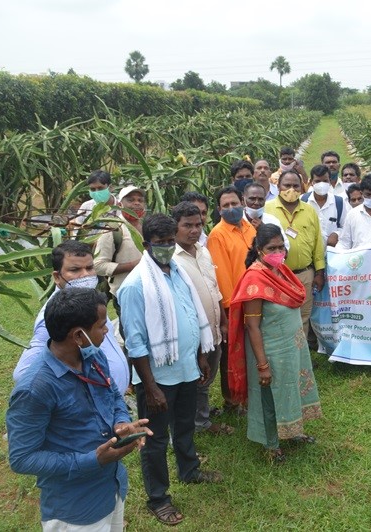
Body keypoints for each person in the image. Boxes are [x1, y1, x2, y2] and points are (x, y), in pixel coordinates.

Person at [7, 288, 150, 530]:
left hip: (112, 486)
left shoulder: (93, 357)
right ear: (78, 336)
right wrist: (92, 460)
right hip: (76, 509)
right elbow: (22, 458)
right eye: (102, 325)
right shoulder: (35, 388)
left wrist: (121, 421)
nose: (107, 330)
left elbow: (113, 394)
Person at [118, 214, 222, 526]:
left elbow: (191, 317)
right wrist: (149, 387)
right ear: (146, 245)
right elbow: (134, 343)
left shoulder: (178, 272)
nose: (165, 247)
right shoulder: (136, 285)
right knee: (156, 439)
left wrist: (200, 357)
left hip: (186, 368)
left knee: (185, 426)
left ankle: (189, 470)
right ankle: (158, 498)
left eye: (168, 242)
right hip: (158, 379)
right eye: (158, 243)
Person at [229, 224, 322, 463]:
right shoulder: (255, 279)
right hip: (270, 350)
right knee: (269, 396)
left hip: (292, 347)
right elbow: (252, 326)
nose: (278, 251)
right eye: (272, 248)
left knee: (292, 388)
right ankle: (272, 445)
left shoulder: (282, 271)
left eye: (281, 246)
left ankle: (294, 430)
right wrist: (262, 364)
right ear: (259, 250)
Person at [13, 241, 130, 395]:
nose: (85, 275)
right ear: (57, 277)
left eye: (89, 268)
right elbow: (23, 373)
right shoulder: (56, 315)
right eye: (75, 270)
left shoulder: (89, 301)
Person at [172, 202, 233, 436]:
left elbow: (213, 287)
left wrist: (223, 320)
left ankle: (200, 418)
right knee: (195, 376)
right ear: (175, 227)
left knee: (206, 377)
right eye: (187, 225)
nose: (194, 230)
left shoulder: (203, 250)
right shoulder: (173, 260)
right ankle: (194, 423)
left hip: (214, 328)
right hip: (191, 333)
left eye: (198, 224)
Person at [207, 185, 256, 409]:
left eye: (234, 203)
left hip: (255, 298)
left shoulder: (250, 229)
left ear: (243, 203)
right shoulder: (217, 235)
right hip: (235, 303)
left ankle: (249, 393)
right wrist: (228, 311)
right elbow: (222, 276)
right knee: (231, 352)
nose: (231, 208)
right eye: (225, 205)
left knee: (250, 348)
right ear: (219, 209)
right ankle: (231, 399)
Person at [265, 170, 326, 338]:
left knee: (303, 318)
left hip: (305, 274)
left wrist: (319, 272)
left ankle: (301, 357)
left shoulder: (309, 210)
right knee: (280, 317)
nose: (291, 190)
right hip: (278, 275)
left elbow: (317, 242)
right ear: (278, 186)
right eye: (287, 185)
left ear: (302, 187)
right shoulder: (267, 209)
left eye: (295, 186)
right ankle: (284, 357)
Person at [93, 185, 145, 303]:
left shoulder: (147, 227)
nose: (136, 203)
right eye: (130, 200)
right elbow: (98, 266)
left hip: (148, 291)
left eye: (140, 200)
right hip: (124, 294)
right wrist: (134, 265)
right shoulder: (113, 229)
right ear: (120, 205)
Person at [303, 164, 346, 247]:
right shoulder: (303, 200)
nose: (321, 184)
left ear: (330, 181)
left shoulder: (339, 202)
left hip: (331, 252)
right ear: (311, 182)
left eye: (325, 181)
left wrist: (337, 234)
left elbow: (345, 226)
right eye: (318, 181)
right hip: (308, 250)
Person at [242, 182, 289, 250]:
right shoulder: (237, 221)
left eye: (260, 199)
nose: (256, 203)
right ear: (243, 199)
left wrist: (264, 229)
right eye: (252, 199)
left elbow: (285, 248)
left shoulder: (273, 221)